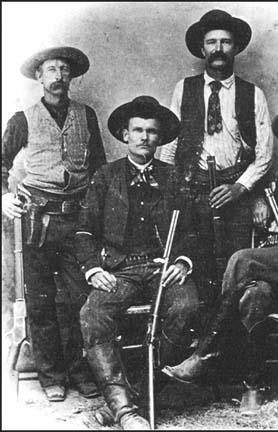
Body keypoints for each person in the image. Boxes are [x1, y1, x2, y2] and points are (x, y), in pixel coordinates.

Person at [162, 95, 278, 414]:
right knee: (254, 295)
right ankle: (252, 385)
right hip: (277, 260)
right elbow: (269, 221)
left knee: (240, 259)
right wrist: (260, 204)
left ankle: (206, 355)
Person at [75, 96, 200, 430]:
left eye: (152, 132)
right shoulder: (105, 176)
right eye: (138, 130)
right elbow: (84, 230)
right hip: (120, 269)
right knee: (92, 313)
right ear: (125, 135)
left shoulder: (175, 178)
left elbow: (194, 229)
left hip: (163, 268)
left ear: (159, 138)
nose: (145, 137)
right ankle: (126, 410)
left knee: (186, 306)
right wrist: (93, 268)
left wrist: (184, 262)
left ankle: (131, 404)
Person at [2, 46, 106, 401]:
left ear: (71, 77)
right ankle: (51, 377)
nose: (58, 76)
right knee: (42, 301)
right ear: (39, 77)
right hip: (37, 221)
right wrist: (4, 197)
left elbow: (99, 170)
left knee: (80, 299)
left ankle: (80, 371)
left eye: (64, 70)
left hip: (77, 220)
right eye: (51, 69)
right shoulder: (22, 118)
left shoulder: (86, 115)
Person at [159, 9, 273, 302]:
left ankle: (230, 344)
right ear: (202, 49)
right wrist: (164, 184)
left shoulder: (253, 94)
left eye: (225, 42)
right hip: (194, 190)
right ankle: (204, 341)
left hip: (234, 192)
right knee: (198, 264)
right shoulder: (183, 89)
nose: (218, 49)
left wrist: (240, 189)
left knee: (235, 268)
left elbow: (264, 154)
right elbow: (170, 141)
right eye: (212, 42)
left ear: (235, 48)